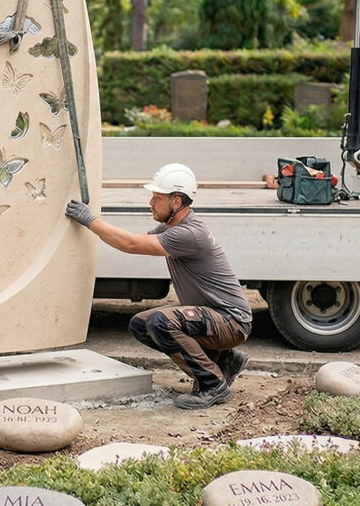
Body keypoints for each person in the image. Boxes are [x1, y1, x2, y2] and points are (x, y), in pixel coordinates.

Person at [65, 163, 252, 409]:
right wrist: (94, 228)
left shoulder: (188, 234)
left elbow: (130, 244)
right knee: (141, 324)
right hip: (217, 317)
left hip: (232, 321)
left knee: (161, 323)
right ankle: (225, 361)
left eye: (157, 197)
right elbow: (133, 241)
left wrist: (90, 220)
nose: (150, 202)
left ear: (176, 202)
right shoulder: (170, 228)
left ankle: (212, 385)